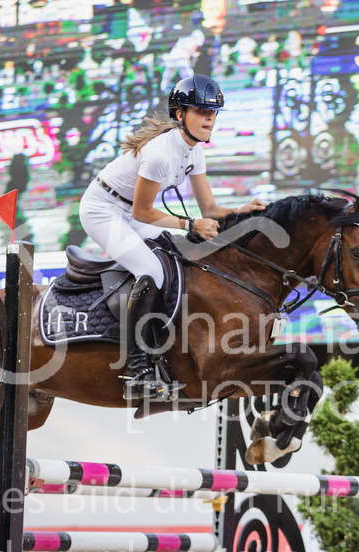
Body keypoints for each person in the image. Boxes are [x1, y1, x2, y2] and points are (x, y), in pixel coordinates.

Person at [78, 74, 266, 401]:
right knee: (150, 271)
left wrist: (242, 209)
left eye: (214, 112)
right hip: (103, 209)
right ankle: (137, 370)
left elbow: (209, 207)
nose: (210, 118)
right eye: (201, 111)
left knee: (184, 255)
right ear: (180, 115)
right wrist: (189, 224)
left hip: (130, 211)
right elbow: (142, 213)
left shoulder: (195, 151)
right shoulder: (160, 154)